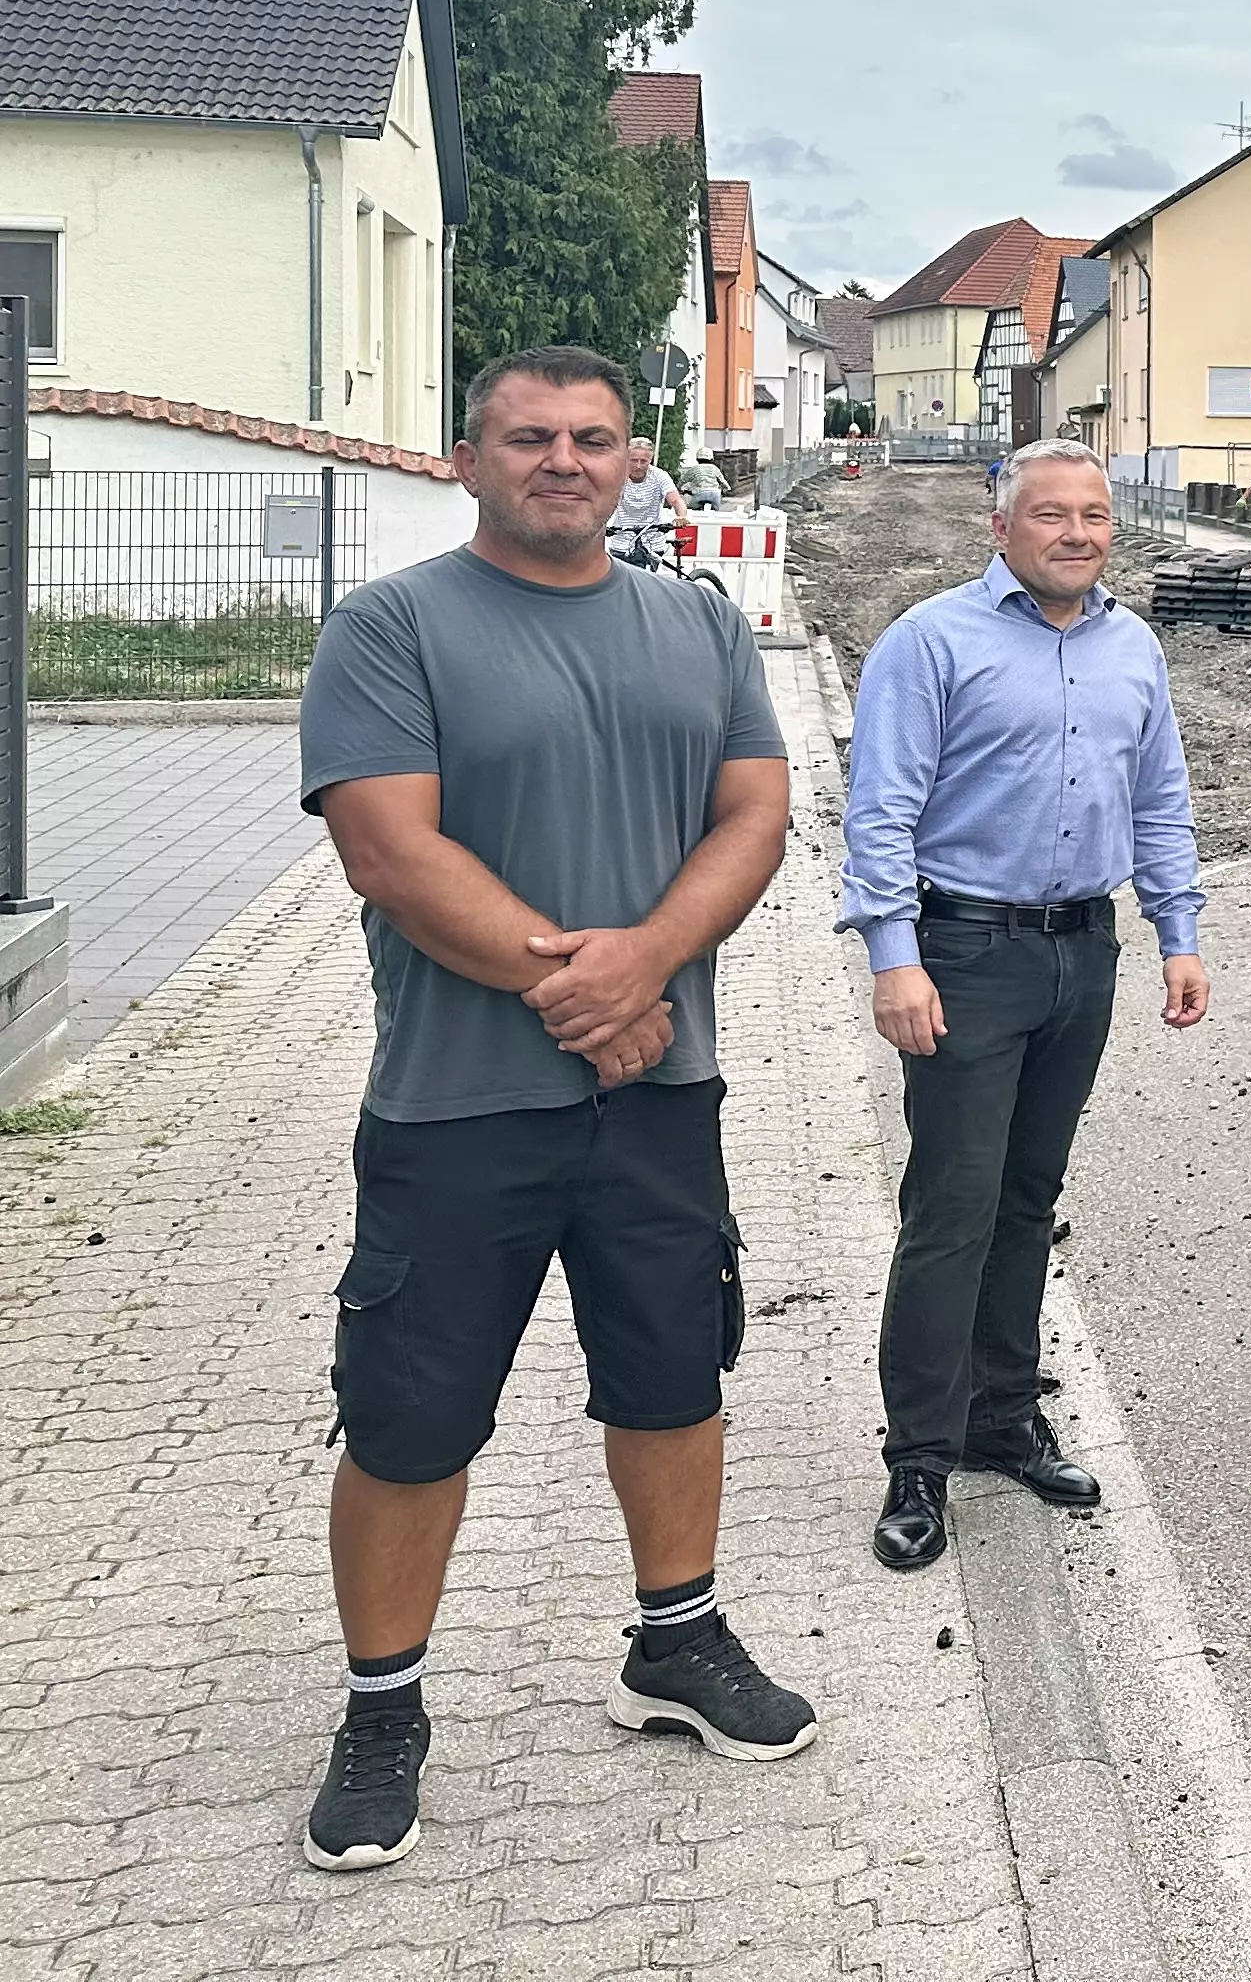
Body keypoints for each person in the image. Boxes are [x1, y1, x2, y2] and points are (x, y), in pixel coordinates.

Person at [295, 345, 806, 1875]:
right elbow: (390, 851)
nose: (563, 461)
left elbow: (757, 810)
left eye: (592, 439)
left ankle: (678, 1641)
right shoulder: (389, 631)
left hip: (663, 1092)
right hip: (460, 1105)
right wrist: (584, 992)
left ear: (634, 462)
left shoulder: (699, 624)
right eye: (529, 439)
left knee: (672, 1373)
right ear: (467, 460)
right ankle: (382, 1704)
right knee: (413, 1407)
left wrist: (648, 963)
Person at [840, 438, 1211, 1572]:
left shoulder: (1132, 648)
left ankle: (1004, 1419)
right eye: (1052, 514)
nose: (1078, 533)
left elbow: (1158, 796)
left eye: (1094, 514)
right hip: (962, 953)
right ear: (1000, 527)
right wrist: (893, 956)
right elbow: (879, 811)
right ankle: (920, 1456)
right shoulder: (932, 641)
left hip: (1078, 953)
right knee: (952, 1202)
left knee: (1026, 1198)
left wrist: (1176, 932)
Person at [610, 435, 676, 569]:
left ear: (650, 460)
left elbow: (675, 499)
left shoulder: (659, 476)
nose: (638, 466)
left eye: (643, 461)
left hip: (652, 541)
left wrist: (681, 516)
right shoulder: (617, 476)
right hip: (621, 541)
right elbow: (605, 500)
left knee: (646, 584)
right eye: (633, 460)